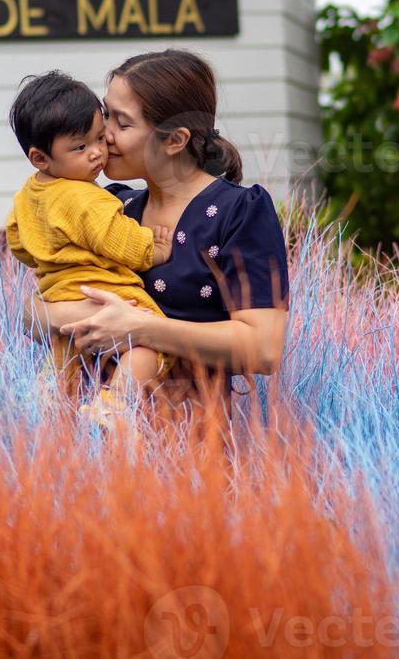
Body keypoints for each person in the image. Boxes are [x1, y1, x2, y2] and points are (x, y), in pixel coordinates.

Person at [33, 48, 290, 427]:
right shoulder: (112, 206)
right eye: (106, 114)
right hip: (85, 443)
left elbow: (264, 348)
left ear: (175, 140)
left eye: (123, 122)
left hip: (190, 446)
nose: (103, 133)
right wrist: (88, 316)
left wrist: (139, 328)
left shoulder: (238, 213)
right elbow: (33, 310)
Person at [4, 71, 178, 423]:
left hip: (58, 295)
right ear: (40, 157)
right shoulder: (87, 198)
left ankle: (52, 390)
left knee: (66, 358)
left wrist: (51, 256)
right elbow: (120, 241)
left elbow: (17, 241)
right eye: (81, 147)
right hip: (103, 294)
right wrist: (153, 249)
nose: (98, 153)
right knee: (148, 344)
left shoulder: (28, 194)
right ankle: (114, 406)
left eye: (100, 137)